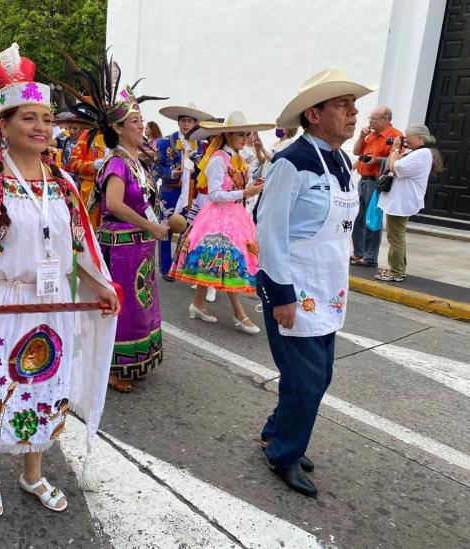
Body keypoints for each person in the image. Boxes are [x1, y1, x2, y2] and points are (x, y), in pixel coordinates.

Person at [0, 43, 119, 518]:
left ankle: (33, 473)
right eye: (28, 118)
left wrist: (99, 287)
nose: (41, 128)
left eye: (47, 120)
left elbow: (79, 244)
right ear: (3, 125)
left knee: (45, 388)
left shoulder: (62, 183)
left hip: (49, 304)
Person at [256, 67, 373, 497]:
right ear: (314, 114)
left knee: (317, 377)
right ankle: (283, 453)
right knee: (305, 382)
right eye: (343, 105)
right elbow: (269, 232)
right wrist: (280, 295)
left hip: (328, 289)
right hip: (296, 291)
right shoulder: (291, 162)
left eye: (352, 105)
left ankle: (277, 429)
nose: (353, 113)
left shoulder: (342, 160)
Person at [66, 57, 167, 393]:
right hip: (122, 248)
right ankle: (111, 366)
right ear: (119, 128)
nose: (142, 126)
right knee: (120, 308)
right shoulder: (116, 162)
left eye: (141, 120)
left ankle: (132, 359)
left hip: (139, 246)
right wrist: (151, 227)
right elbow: (113, 204)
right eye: (135, 121)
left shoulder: (137, 160)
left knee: (140, 303)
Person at [170, 113, 273, 334]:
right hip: (218, 218)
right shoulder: (218, 159)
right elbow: (215, 194)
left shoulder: (239, 159)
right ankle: (239, 314)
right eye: (240, 134)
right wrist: (245, 191)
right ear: (228, 134)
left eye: (246, 134)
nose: (244, 139)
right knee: (227, 263)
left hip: (236, 216)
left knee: (214, 265)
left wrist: (252, 186)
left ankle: (197, 304)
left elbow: (237, 188)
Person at [375, 125, 442, 282]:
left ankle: (396, 272)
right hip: (401, 201)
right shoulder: (418, 153)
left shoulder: (421, 154)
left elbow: (394, 166)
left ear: (419, 138)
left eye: (408, 136)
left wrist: (395, 149)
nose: (405, 139)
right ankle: (399, 269)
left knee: (395, 237)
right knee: (398, 236)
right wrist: (397, 151)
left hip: (401, 203)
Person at [153, 103, 212, 280]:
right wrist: (172, 172)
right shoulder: (165, 142)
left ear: (195, 124)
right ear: (178, 123)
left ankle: (177, 266)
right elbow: (156, 169)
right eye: (183, 121)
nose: (186, 124)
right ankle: (164, 267)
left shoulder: (201, 146)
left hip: (191, 193)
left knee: (186, 230)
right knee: (166, 228)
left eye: (190, 121)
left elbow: (205, 171)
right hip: (170, 191)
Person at [351, 106, 402, 268]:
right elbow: (357, 153)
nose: (370, 121)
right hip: (363, 179)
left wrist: (377, 160)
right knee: (357, 218)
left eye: (374, 118)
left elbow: (396, 160)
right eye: (370, 118)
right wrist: (361, 137)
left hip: (377, 181)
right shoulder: (371, 135)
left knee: (371, 219)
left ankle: (370, 256)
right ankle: (359, 252)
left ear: (385, 119)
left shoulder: (395, 136)